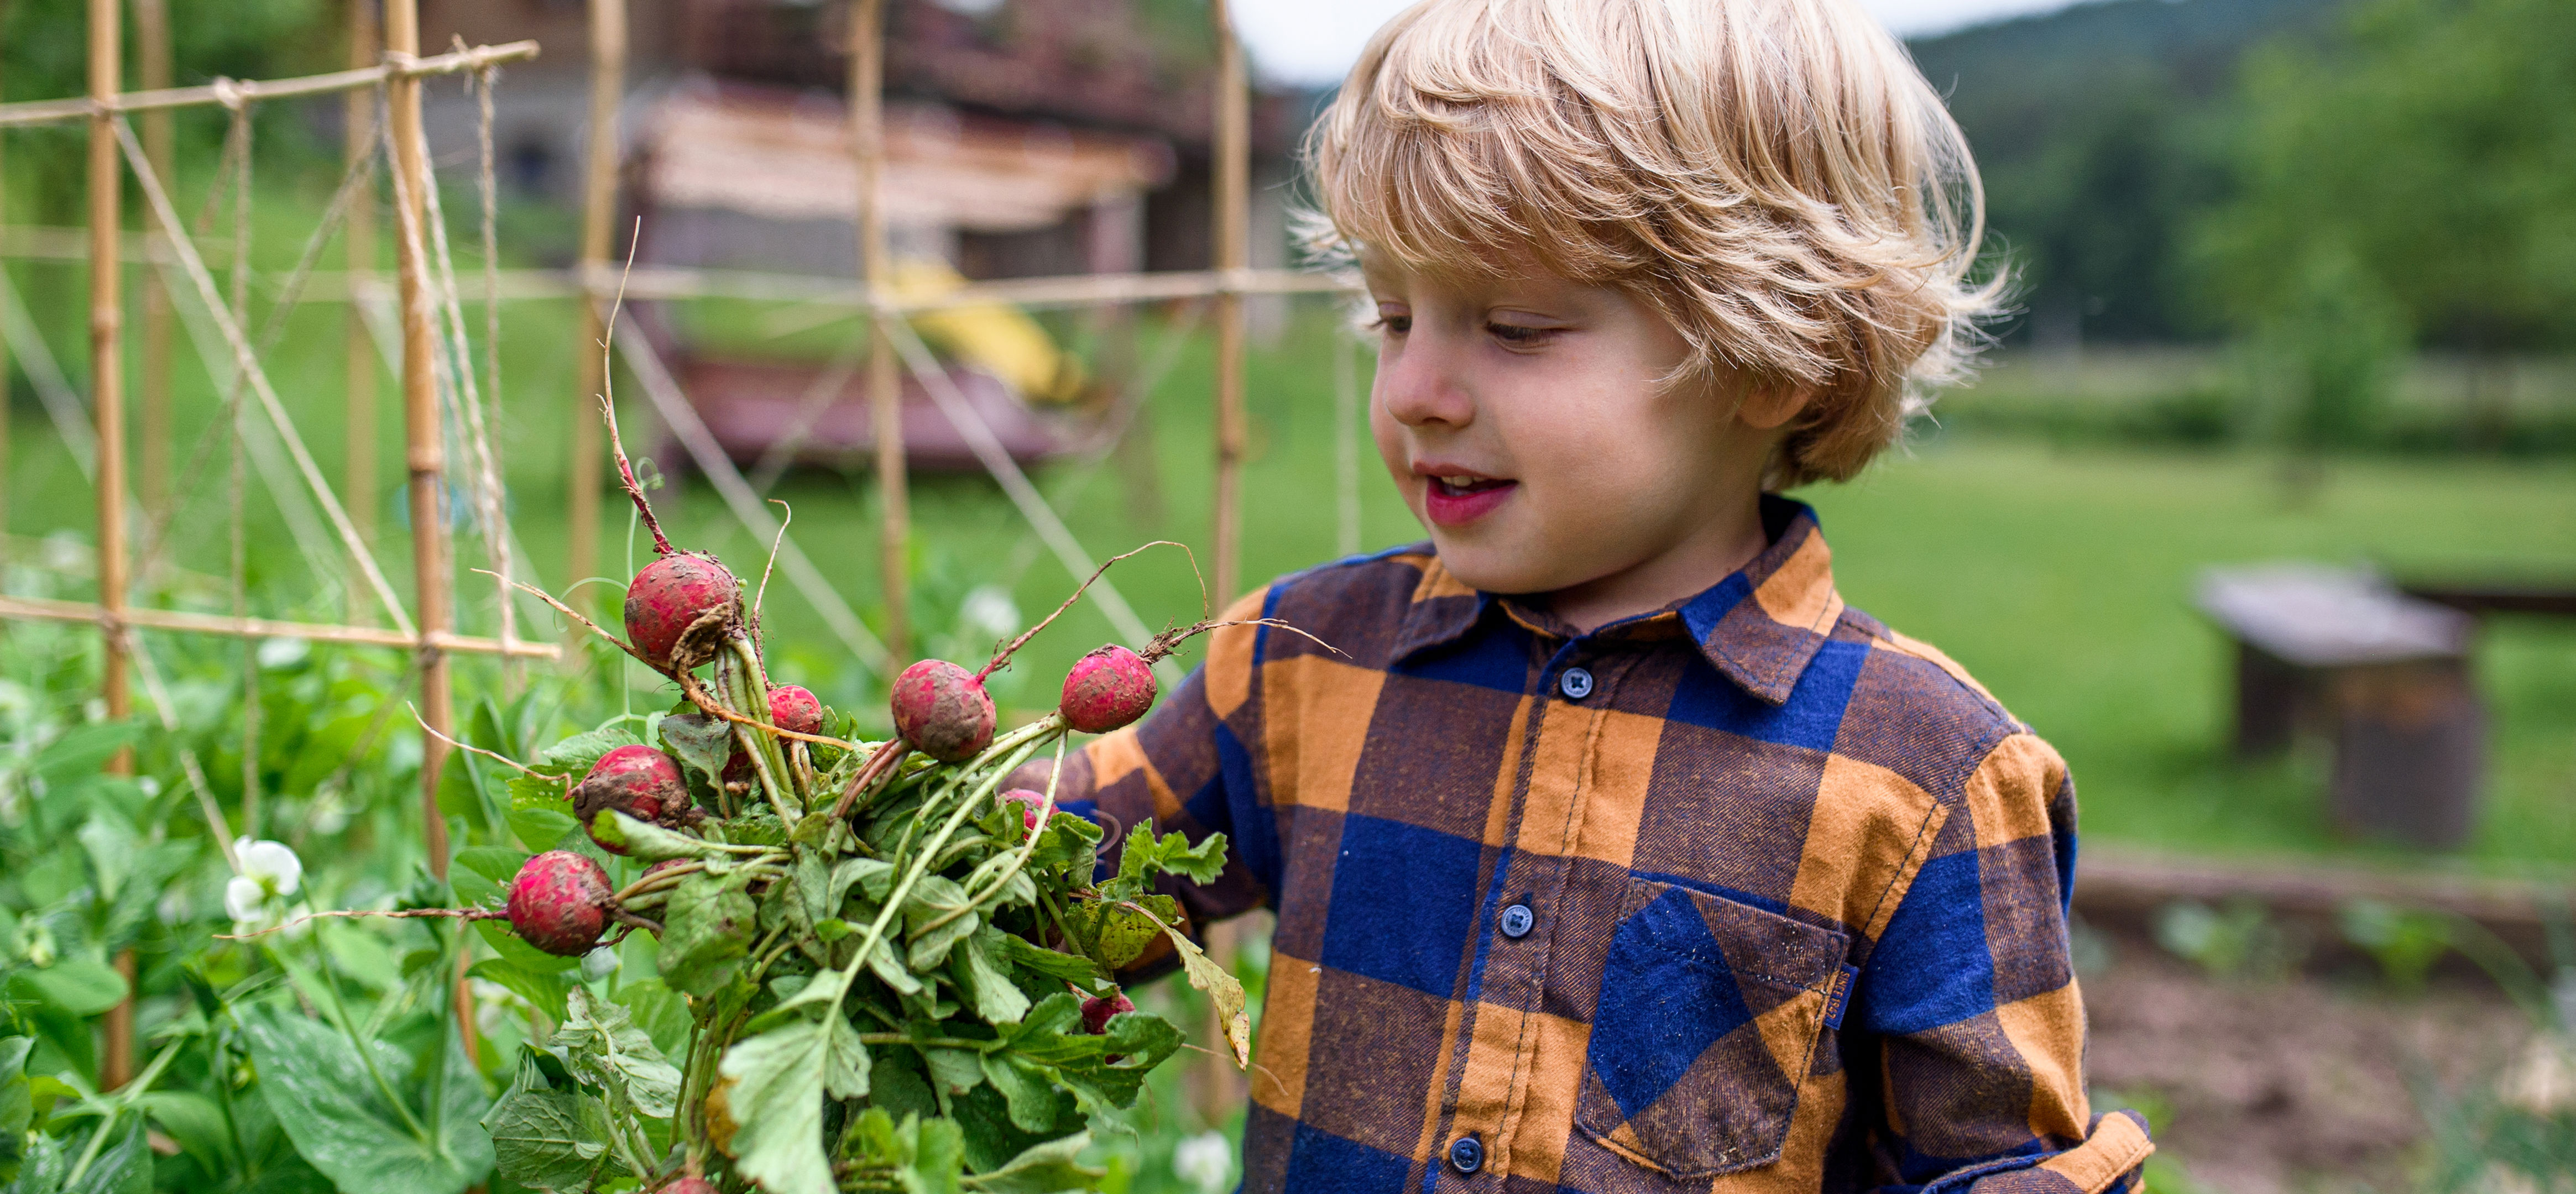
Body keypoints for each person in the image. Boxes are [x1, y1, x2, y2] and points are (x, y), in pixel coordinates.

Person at [1031, 1, 2151, 1187]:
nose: (1414, 389)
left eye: (1514, 327)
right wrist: (851, 826)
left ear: (1772, 358)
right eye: (1391, 316)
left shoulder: (1927, 778)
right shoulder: (1299, 661)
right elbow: (1038, 894)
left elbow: (1982, 1167)